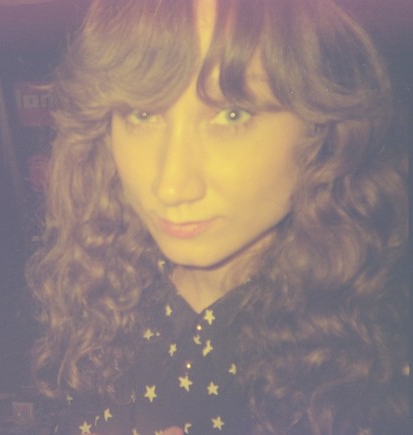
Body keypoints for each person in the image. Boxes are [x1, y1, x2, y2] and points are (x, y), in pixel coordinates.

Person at [27, 0, 408, 433]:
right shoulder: (100, 293)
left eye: (231, 114)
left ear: (323, 127)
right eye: (142, 113)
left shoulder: (383, 364)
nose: (170, 185)